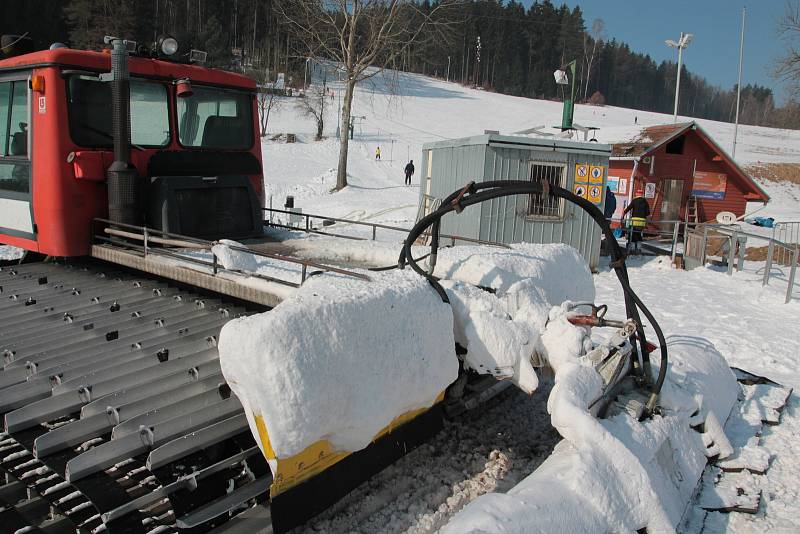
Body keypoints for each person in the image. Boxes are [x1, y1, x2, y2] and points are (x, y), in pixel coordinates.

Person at [621, 189, 650, 255]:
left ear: (637, 194)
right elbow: (648, 213)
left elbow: (628, 208)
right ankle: (639, 247)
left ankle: (632, 248)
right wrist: (647, 223)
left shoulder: (634, 201)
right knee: (639, 234)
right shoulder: (645, 201)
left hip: (634, 221)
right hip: (642, 221)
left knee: (633, 234)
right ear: (642, 194)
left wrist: (623, 213)